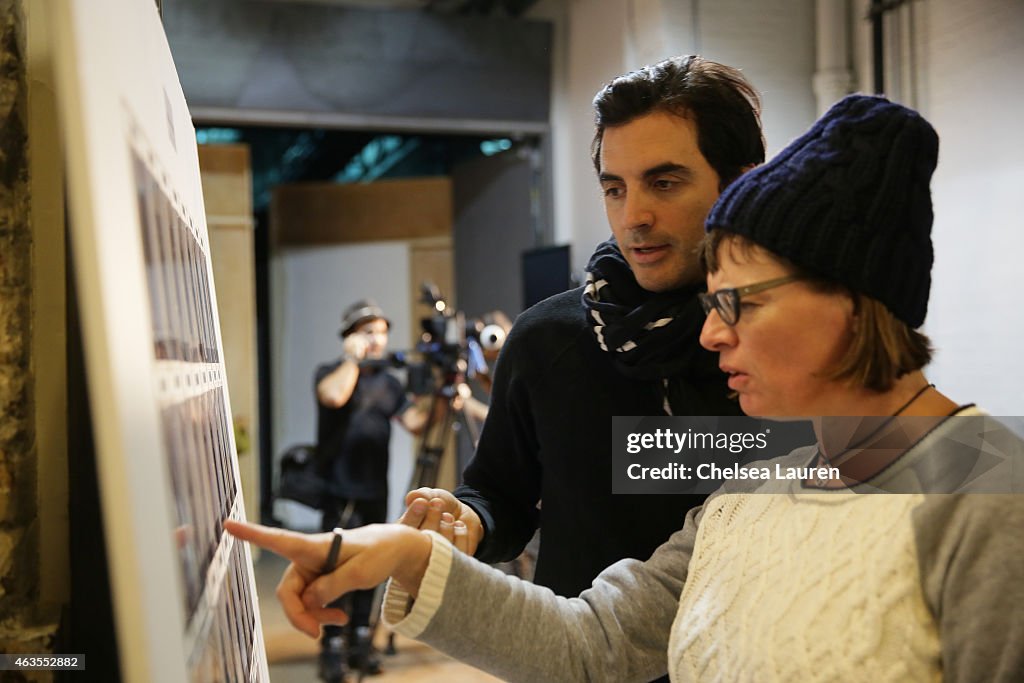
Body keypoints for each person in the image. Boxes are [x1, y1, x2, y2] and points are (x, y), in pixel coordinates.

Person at [228, 95, 1024, 682]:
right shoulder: (760, 483)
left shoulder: (988, 496)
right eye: (615, 187)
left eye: (738, 301)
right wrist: (408, 552)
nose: (714, 333)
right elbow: (593, 639)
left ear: (851, 301)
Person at [402, 55, 765, 603]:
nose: (632, 216)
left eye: (663, 183)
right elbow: (498, 493)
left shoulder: (789, 340)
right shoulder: (549, 339)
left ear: (740, 185)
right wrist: (466, 519)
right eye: (614, 188)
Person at [312, 299, 428, 680]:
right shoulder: (331, 372)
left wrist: (441, 398)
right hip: (339, 488)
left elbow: (414, 422)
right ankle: (332, 643)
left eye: (381, 332)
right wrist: (353, 361)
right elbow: (334, 397)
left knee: (371, 565)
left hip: (374, 488)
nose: (377, 340)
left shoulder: (388, 384)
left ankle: (361, 638)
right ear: (349, 337)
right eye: (367, 332)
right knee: (335, 566)